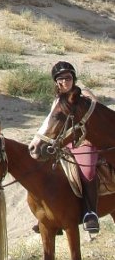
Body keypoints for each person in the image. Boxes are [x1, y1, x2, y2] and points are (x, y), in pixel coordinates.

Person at [51, 61, 100, 235]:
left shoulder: (85, 94)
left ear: (73, 79)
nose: (65, 81)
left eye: (68, 77)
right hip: (61, 143)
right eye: (61, 79)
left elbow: (96, 115)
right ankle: (49, 214)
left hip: (84, 141)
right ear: (56, 82)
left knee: (87, 171)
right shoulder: (57, 100)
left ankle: (90, 212)